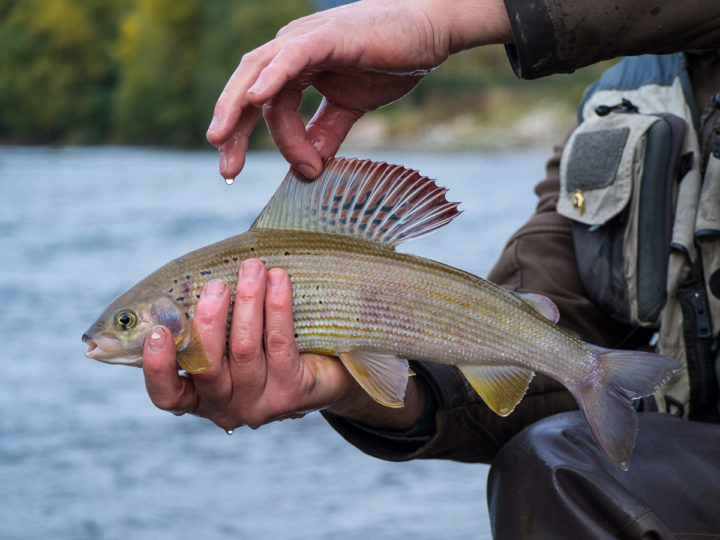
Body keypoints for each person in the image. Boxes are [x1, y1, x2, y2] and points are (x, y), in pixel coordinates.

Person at [141, 0, 720, 537]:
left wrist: (443, 22)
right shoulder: (618, 102)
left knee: (557, 466)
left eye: (127, 324)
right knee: (544, 462)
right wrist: (345, 387)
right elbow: (550, 334)